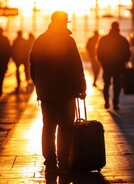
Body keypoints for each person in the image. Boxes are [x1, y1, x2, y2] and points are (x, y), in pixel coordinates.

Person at [30, 10, 86, 174]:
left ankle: (50, 162)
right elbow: (76, 66)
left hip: (47, 93)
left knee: (48, 127)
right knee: (65, 127)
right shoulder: (68, 41)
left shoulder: (40, 40)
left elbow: (33, 67)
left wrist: (39, 86)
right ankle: (63, 162)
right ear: (64, 22)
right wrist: (81, 88)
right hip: (66, 92)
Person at [97, 22, 131, 110]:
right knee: (117, 85)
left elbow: (99, 52)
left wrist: (103, 62)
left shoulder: (104, 39)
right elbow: (128, 53)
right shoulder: (123, 39)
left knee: (106, 84)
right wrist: (124, 62)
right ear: (118, 28)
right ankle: (115, 103)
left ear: (111, 27)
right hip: (119, 66)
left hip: (107, 66)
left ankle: (106, 102)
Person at [0, 27, 11, 97]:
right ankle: (0, 87)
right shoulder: (5, 39)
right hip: (3, 61)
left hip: (3, 60)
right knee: (1, 75)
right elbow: (8, 51)